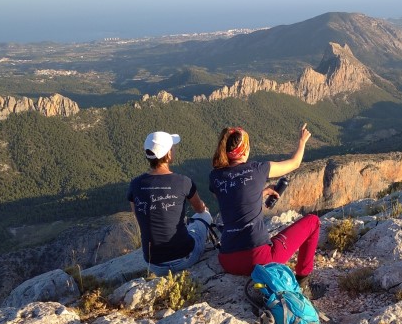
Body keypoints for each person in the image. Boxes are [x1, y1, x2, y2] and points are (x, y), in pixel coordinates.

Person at [209, 124, 321, 293]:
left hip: (227, 260)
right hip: (259, 260)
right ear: (245, 149)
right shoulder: (257, 169)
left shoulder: (215, 177)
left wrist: (259, 194)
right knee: (313, 221)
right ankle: (303, 281)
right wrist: (302, 141)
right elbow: (295, 163)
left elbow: (231, 200)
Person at [128, 131, 213, 276]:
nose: (174, 150)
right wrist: (204, 208)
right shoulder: (183, 181)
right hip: (185, 258)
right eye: (172, 148)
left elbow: (140, 215)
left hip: (154, 263)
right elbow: (199, 209)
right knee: (204, 217)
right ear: (168, 155)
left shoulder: (135, 185)